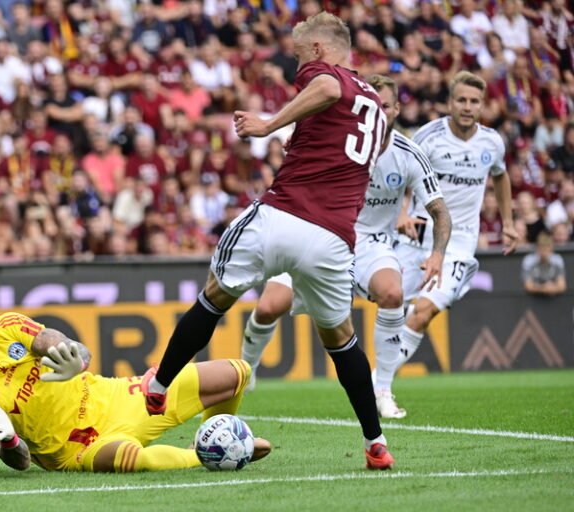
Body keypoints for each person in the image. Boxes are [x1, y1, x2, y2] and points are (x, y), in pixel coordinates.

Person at [140, 13, 395, 470]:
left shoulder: (326, 74)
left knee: (214, 296)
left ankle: (157, 390)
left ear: (317, 49)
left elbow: (327, 89)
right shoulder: (375, 101)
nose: (298, 66)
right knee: (341, 339)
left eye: (299, 56)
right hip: (334, 238)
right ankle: (375, 443)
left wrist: (269, 124)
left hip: (283, 215)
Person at [240, 75, 452, 420]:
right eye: (375, 107)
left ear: (397, 110)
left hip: (369, 243)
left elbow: (440, 211)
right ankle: (246, 369)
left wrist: (438, 254)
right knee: (268, 307)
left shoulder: (409, 154)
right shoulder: (339, 139)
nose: (380, 114)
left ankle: (382, 389)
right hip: (320, 230)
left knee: (393, 293)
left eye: (386, 107)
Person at [0, 302, 270, 472]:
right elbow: (21, 462)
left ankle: (213, 436)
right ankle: (212, 454)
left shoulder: (4, 328)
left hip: (114, 397)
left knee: (236, 373)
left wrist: (74, 360)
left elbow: (60, 343)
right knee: (133, 458)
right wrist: (8, 440)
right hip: (77, 446)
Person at [391, 71, 518, 409]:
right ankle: (377, 381)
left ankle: (380, 385)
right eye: (461, 100)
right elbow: (402, 174)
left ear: (482, 105)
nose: (467, 106)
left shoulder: (491, 142)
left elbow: (500, 176)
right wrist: (400, 213)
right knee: (389, 303)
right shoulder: (428, 136)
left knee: (423, 313)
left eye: (474, 101)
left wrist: (508, 222)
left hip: (459, 244)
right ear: (450, 102)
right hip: (417, 238)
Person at [522, 231, 567, 296]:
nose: (544, 251)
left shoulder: (557, 260)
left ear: (551, 248)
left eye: (547, 247)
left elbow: (562, 286)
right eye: (542, 247)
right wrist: (544, 288)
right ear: (538, 247)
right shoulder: (529, 260)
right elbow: (528, 286)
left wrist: (549, 288)